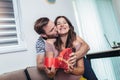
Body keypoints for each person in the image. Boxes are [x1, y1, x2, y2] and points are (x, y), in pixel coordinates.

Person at [45, 16, 86, 80]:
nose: (62, 25)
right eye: (58, 24)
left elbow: (81, 70)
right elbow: (50, 72)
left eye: (65, 23)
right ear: (56, 28)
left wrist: (71, 70)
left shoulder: (77, 44)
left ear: (69, 27)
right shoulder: (50, 44)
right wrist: (52, 72)